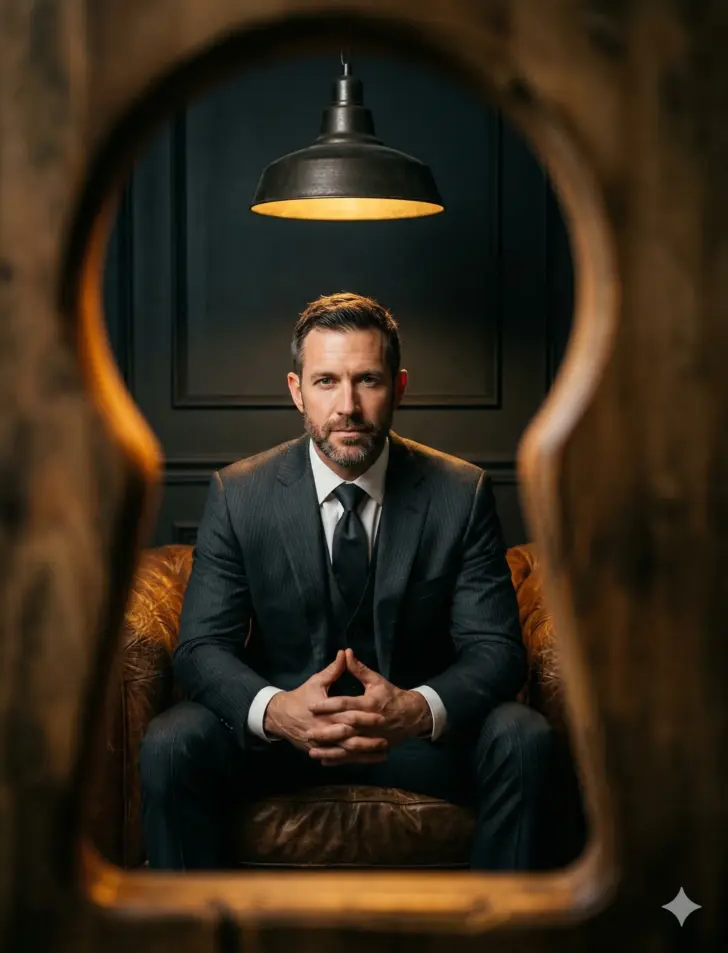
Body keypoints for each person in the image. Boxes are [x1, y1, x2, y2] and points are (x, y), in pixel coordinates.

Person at [139, 291, 566, 871]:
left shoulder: (460, 493)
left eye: (368, 380)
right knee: (171, 742)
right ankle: (192, 923)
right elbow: (200, 648)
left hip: (414, 739)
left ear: (399, 387)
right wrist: (277, 710)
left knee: (524, 737)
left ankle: (503, 922)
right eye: (326, 382)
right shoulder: (239, 495)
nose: (348, 406)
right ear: (297, 391)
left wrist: (415, 709)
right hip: (282, 743)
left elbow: (495, 649)